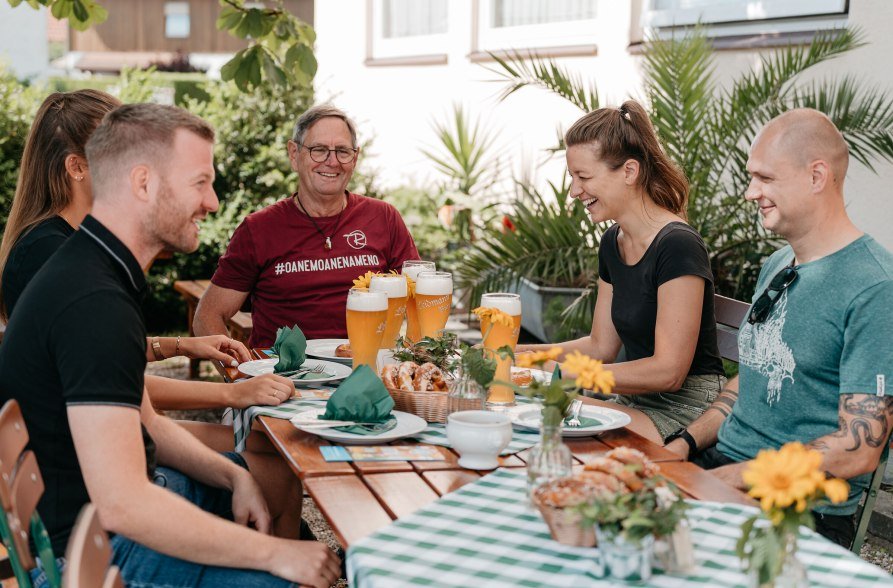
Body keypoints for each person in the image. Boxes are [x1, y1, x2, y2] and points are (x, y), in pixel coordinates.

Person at [0, 103, 340, 587]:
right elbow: (125, 504)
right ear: (143, 183)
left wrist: (235, 477)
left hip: (97, 527)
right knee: (285, 576)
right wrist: (276, 555)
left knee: (260, 484)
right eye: (200, 182)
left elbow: (148, 423)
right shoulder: (92, 299)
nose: (214, 202)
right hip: (93, 556)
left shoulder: (95, 268)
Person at [664, 109, 893, 548]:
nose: (752, 193)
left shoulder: (875, 288)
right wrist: (683, 444)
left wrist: (739, 477)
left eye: (765, 178)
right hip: (722, 469)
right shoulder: (777, 263)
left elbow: (859, 448)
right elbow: (750, 379)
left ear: (817, 176)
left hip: (802, 510)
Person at [0, 89, 297, 417]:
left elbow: (95, 348)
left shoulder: (79, 245)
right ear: (77, 167)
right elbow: (112, 383)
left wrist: (182, 346)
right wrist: (233, 393)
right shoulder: (50, 254)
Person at [517, 100, 725, 444]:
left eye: (584, 177)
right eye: (572, 177)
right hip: (635, 401)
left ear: (629, 171)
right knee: (527, 409)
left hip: (688, 410)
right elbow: (600, 345)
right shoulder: (613, 241)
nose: (574, 190)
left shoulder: (677, 245)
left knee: (548, 422)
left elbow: (669, 372)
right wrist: (529, 356)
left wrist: (560, 373)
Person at [193, 103, 419, 347]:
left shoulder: (384, 218)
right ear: (294, 154)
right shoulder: (259, 229)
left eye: (343, 151)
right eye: (319, 150)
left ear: (355, 158)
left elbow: (419, 300)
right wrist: (239, 377)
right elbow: (207, 317)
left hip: (368, 375)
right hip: (286, 380)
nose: (332, 162)